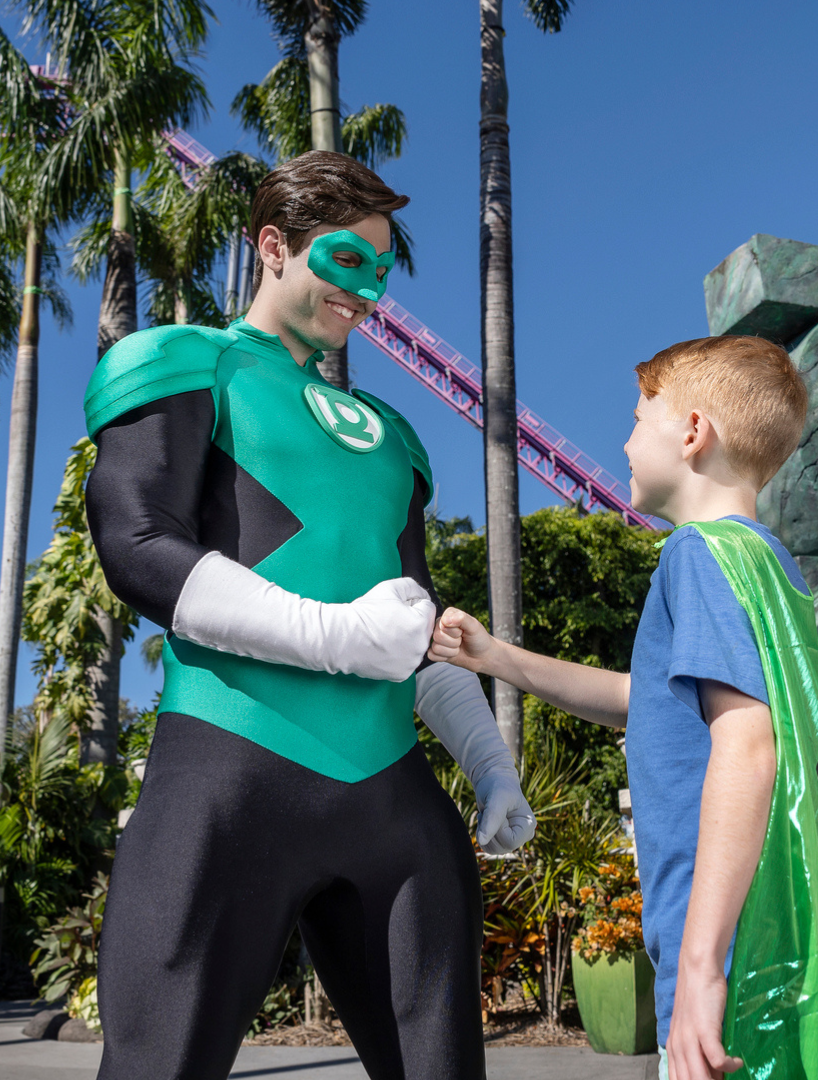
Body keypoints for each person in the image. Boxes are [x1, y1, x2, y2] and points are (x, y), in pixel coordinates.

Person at [81, 151, 535, 1080]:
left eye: (378, 269)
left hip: (394, 805)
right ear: (273, 247)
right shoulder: (181, 363)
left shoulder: (391, 439)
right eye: (343, 260)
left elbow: (412, 628)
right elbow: (136, 541)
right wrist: (334, 637)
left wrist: (488, 764)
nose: (365, 289)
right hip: (228, 780)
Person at [428, 336, 818, 1080]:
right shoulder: (767, 566)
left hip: (742, 955)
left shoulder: (696, 554)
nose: (623, 440)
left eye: (637, 418)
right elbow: (652, 702)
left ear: (692, 432)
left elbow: (746, 745)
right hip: (805, 944)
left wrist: (701, 967)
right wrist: (498, 659)